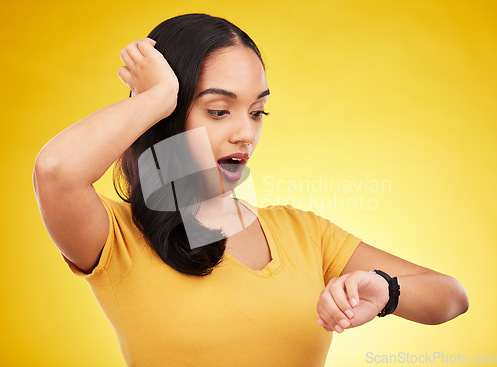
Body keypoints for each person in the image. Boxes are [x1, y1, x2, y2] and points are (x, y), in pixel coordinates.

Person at [32, 13, 469, 367]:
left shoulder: (303, 232)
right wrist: (156, 97)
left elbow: (451, 296)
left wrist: (387, 289)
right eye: (219, 111)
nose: (246, 133)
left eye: (257, 111)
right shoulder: (115, 238)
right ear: (167, 116)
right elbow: (54, 172)